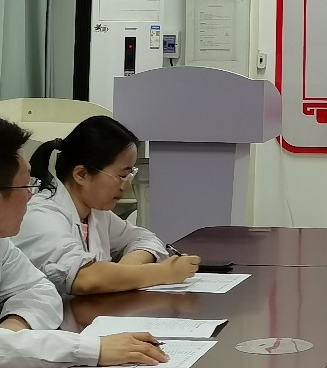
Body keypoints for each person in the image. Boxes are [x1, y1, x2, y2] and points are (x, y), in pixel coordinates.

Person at [0, 117, 166, 368]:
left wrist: (12, 330)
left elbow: (40, 291)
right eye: (27, 185)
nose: (32, 195)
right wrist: (92, 349)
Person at [15, 116, 200, 296]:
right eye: (121, 176)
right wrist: (164, 273)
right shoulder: (41, 214)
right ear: (81, 174)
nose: (126, 186)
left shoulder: (95, 213)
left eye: (130, 175)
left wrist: (126, 269)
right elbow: (84, 278)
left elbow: (145, 238)